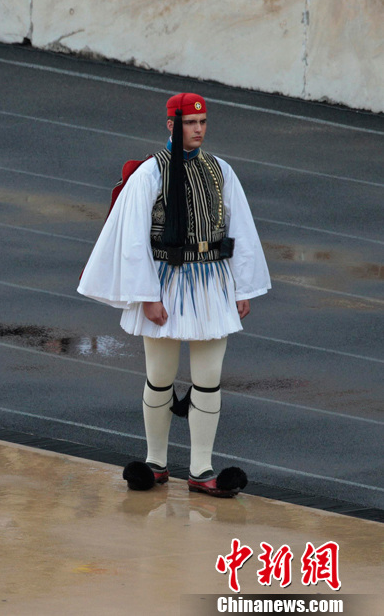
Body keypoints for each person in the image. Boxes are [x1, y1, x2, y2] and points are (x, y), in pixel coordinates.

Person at [77, 93, 271, 498]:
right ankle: (156, 462)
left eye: (202, 122)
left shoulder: (221, 171)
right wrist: (147, 294)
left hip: (212, 279)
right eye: (189, 122)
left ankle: (202, 469)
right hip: (164, 279)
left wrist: (243, 284)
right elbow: (133, 241)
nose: (198, 129)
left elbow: (238, 231)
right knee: (161, 375)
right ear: (171, 125)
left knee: (209, 378)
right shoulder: (150, 173)